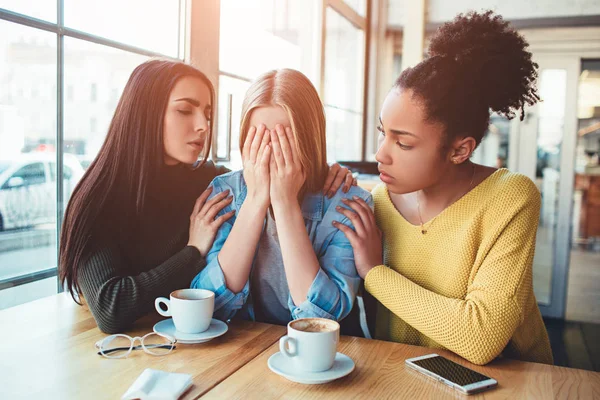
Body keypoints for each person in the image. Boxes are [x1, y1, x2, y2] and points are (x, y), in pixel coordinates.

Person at [58, 60, 356, 334]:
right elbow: (111, 308)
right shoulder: (97, 197)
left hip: (190, 338)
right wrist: (192, 252)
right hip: (130, 342)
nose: (202, 125)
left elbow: (263, 178)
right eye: (185, 110)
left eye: (208, 114)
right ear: (145, 115)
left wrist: (325, 170)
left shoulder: (210, 181)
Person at [334, 11, 553, 365]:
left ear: (459, 149)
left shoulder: (510, 198)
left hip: (513, 385)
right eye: (382, 131)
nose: (380, 154)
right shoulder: (377, 202)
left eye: (403, 143)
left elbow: (481, 337)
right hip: (407, 383)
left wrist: (375, 273)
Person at [191, 69, 372, 333]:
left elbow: (322, 318)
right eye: (258, 138)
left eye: (283, 138)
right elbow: (208, 305)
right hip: (244, 350)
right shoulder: (224, 192)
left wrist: (285, 203)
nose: (270, 151)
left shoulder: (348, 204)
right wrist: (255, 200)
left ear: (308, 139)